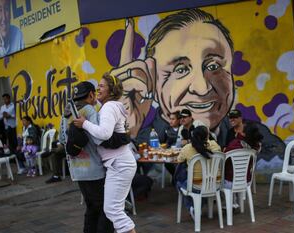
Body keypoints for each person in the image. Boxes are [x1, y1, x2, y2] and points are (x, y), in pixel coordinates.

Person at [110, 9, 234, 148]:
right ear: (153, 82)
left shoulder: (255, 136)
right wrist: (127, 132)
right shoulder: (145, 139)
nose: (202, 88)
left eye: (213, 66)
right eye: (180, 70)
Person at [74, 74, 137, 233]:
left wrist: (84, 123)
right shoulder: (111, 106)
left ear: (111, 89)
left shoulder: (109, 107)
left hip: (119, 164)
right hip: (119, 163)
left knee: (113, 210)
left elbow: (104, 134)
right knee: (113, 209)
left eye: (102, 86)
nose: (98, 89)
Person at [67, 81, 114, 233]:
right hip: (94, 170)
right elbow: (99, 138)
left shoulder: (67, 112)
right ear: (91, 94)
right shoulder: (89, 110)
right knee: (104, 209)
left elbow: (63, 139)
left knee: (92, 208)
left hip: (77, 170)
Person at [175, 125, 221, 219]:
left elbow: (179, 160)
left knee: (179, 181)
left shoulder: (187, 148)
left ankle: (192, 207)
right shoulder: (215, 145)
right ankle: (197, 207)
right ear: (207, 136)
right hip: (214, 183)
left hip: (196, 185)